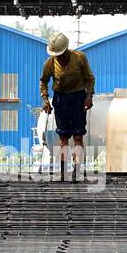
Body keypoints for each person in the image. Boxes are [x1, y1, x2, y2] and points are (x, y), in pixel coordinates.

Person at [39, 32, 95, 182]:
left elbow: (90, 79)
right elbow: (43, 81)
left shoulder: (79, 58)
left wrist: (89, 96)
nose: (59, 57)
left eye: (61, 54)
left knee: (78, 136)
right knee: (63, 137)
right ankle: (63, 172)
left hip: (78, 99)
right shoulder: (50, 63)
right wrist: (45, 99)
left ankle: (77, 170)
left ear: (66, 49)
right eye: (56, 55)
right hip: (61, 100)